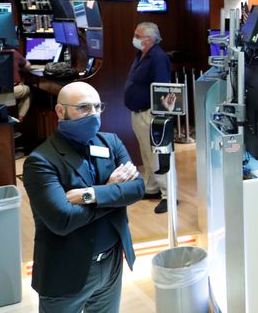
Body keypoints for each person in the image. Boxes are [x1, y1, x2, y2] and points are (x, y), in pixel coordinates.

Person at [23, 81, 145, 312]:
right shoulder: (40, 161)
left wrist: (90, 194)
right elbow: (63, 220)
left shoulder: (111, 142)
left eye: (98, 107)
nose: (94, 114)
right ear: (61, 111)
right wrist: (114, 194)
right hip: (66, 270)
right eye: (84, 108)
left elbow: (137, 188)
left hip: (111, 263)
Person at [124, 22, 171, 213]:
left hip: (150, 114)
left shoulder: (158, 57)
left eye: (137, 35)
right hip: (137, 112)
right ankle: (152, 188)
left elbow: (161, 87)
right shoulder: (141, 54)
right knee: (146, 154)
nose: (134, 38)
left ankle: (168, 194)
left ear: (149, 39)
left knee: (157, 157)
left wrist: (157, 115)